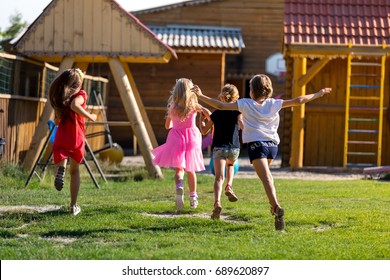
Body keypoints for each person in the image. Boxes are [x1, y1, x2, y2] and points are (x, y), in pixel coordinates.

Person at [192, 74, 332, 231]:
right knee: (267, 178)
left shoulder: (245, 104)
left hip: (257, 146)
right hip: (272, 146)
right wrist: (318, 93)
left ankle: (276, 206)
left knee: (266, 179)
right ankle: (274, 208)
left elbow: (221, 106)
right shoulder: (274, 103)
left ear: (252, 91)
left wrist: (201, 95)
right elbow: (299, 100)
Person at [152, 78, 211, 211]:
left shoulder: (172, 106)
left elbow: (167, 126)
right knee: (191, 169)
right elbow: (208, 114)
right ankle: (193, 197)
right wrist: (206, 120)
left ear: (176, 90)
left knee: (179, 169)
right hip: (192, 138)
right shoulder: (194, 105)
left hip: (176, 138)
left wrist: (175, 122)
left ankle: (179, 188)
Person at [49, 68, 97, 216]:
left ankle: (60, 171)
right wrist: (91, 116)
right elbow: (75, 106)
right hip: (76, 136)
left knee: (60, 159)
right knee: (75, 171)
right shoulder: (80, 95)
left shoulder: (60, 99)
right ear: (79, 83)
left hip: (62, 134)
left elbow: (57, 120)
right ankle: (73, 205)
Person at [199, 84, 243, 219]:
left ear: (221, 97)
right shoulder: (238, 112)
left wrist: (201, 119)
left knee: (218, 178)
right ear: (236, 97)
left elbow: (204, 131)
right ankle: (229, 186)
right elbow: (242, 125)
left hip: (219, 148)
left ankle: (217, 202)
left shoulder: (216, 113)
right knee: (230, 165)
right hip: (234, 148)